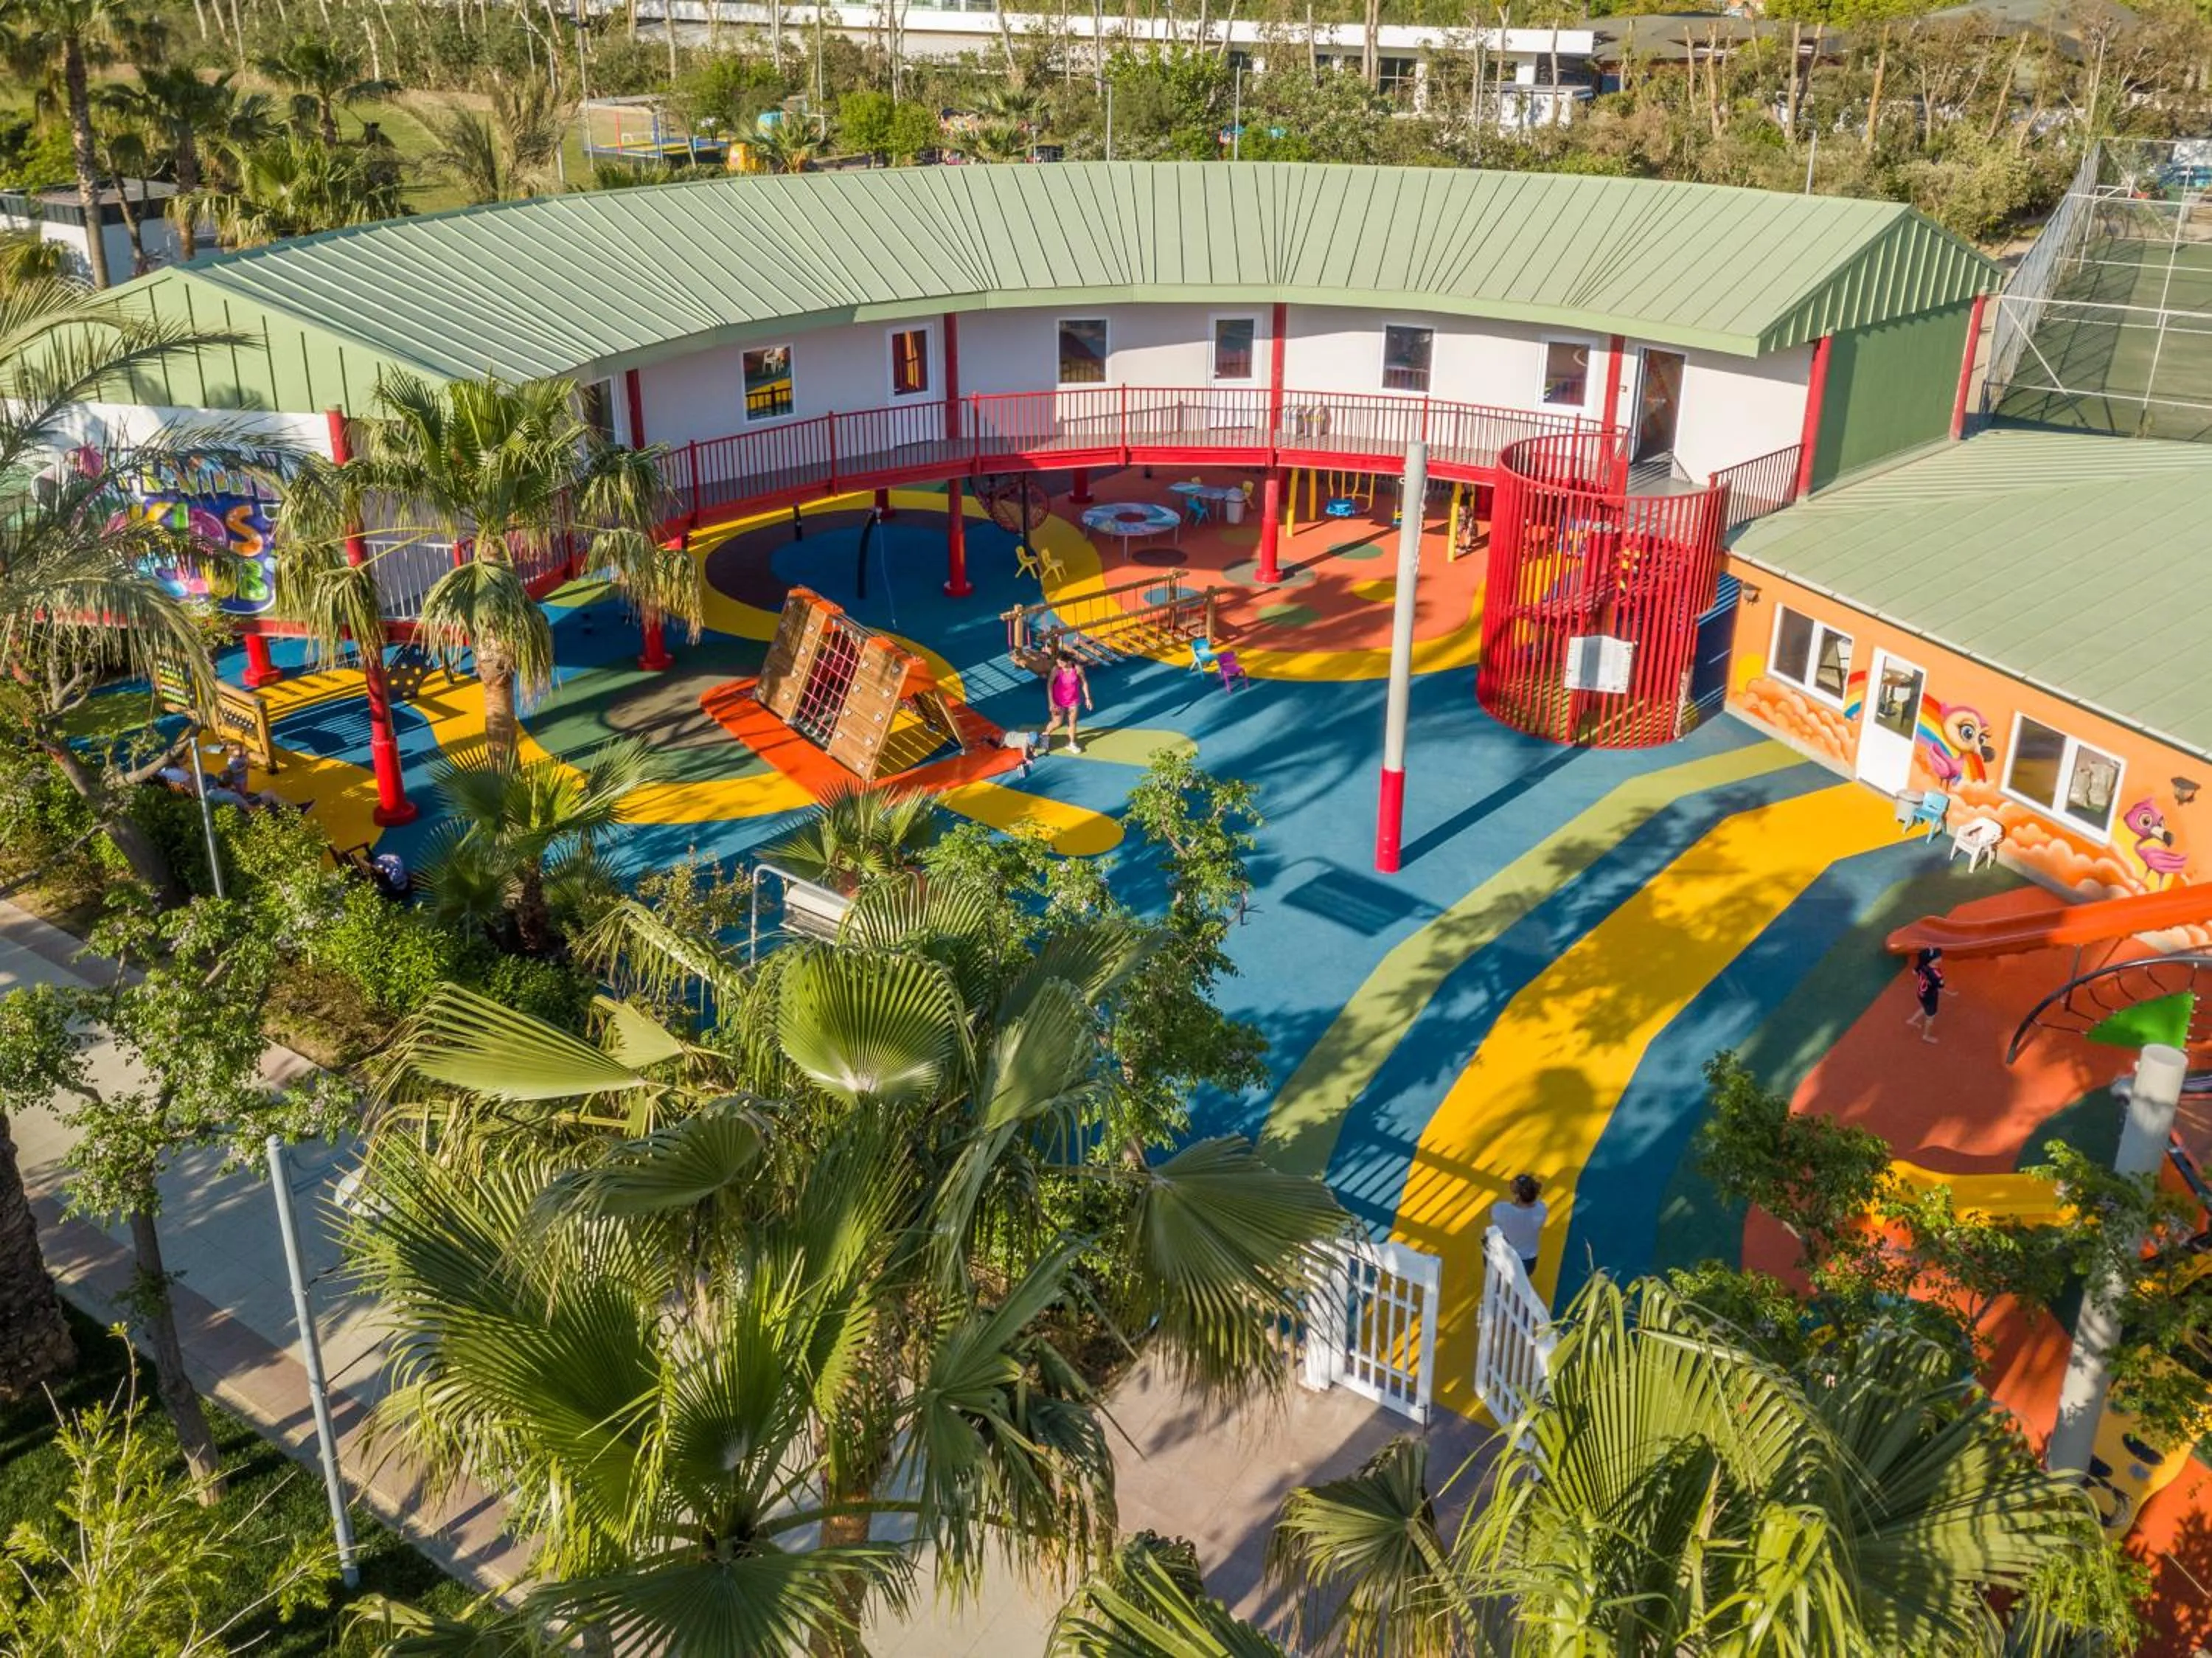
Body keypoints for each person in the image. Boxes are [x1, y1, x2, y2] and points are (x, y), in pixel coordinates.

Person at [1490, 1173, 1547, 1277]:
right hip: (1528, 1261)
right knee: (1520, 1285)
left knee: (1501, 1284)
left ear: (1517, 1193)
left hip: (1505, 1257)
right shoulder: (1541, 1210)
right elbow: (1536, 1202)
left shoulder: (1500, 1209)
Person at [1044, 647, 1092, 755]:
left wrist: (1088, 698)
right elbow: (1049, 685)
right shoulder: (1056, 670)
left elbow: (1084, 683)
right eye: (1058, 662)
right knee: (1057, 723)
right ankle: (1045, 735)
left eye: (1061, 662)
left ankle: (1072, 743)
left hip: (1073, 701)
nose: (1059, 664)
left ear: (1069, 661)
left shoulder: (1078, 669)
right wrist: (1051, 702)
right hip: (1057, 701)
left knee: (1072, 723)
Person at [1907, 946, 1947, 1044]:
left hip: (1921, 993)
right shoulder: (1937, 974)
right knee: (1930, 1017)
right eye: (1938, 956)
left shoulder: (1921, 965)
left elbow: (1914, 972)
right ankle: (1926, 1036)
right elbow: (1940, 989)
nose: (1941, 957)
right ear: (1932, 961)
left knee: (1924, 1007)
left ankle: (1911, 1020)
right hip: (1930, 997)